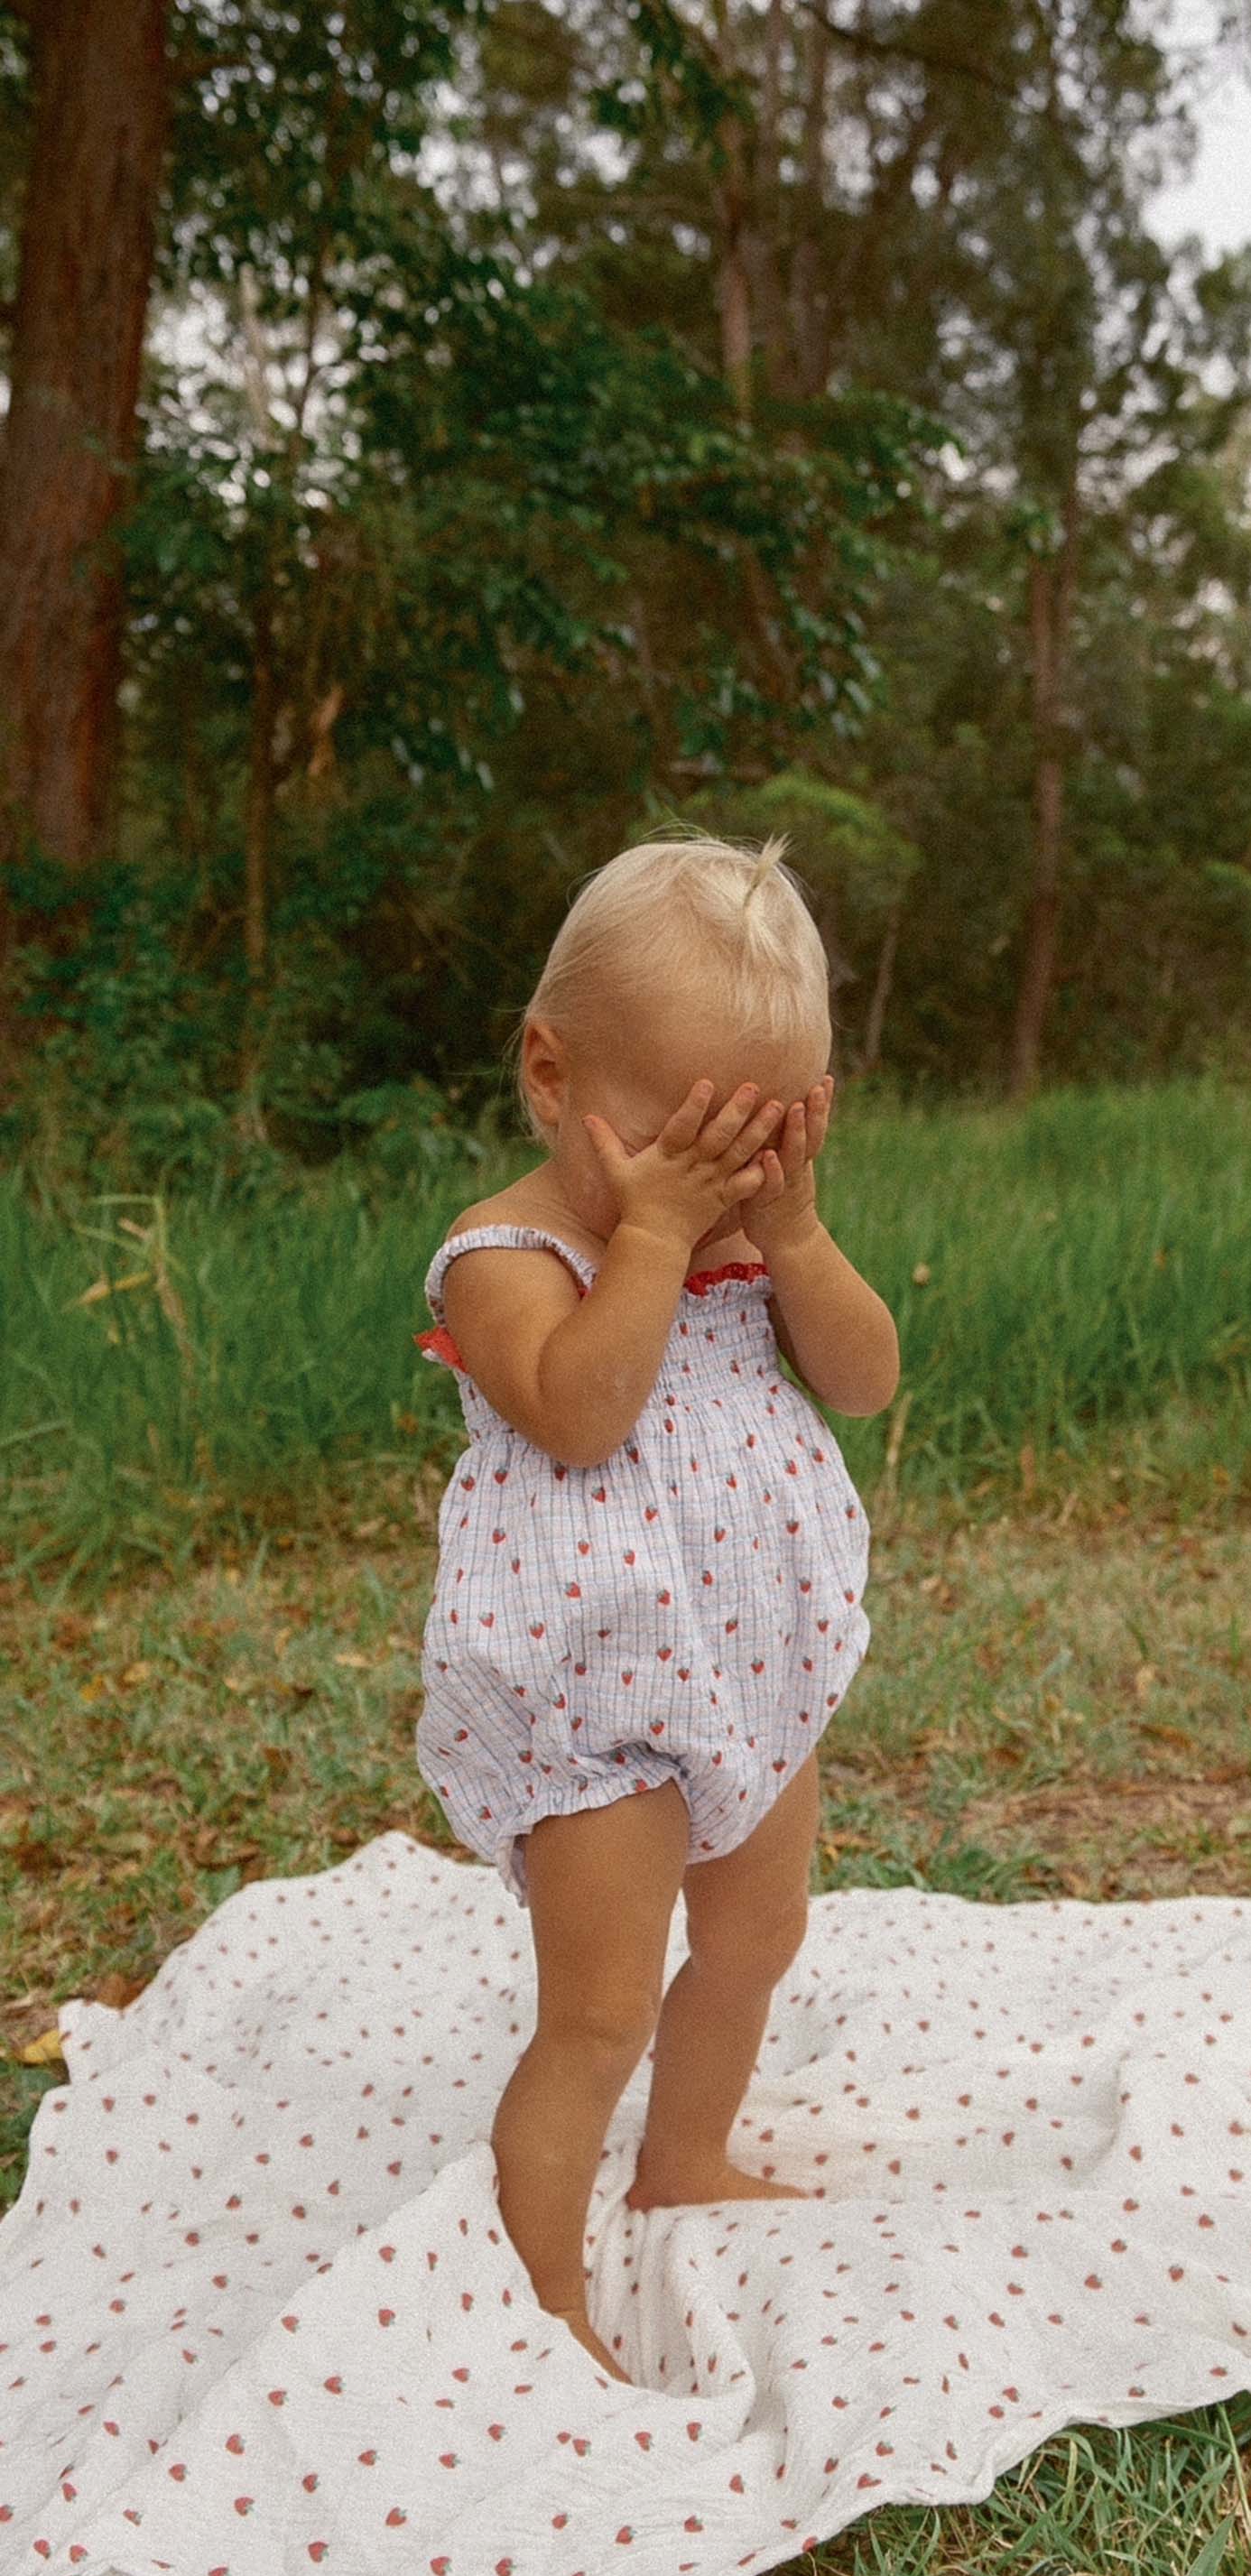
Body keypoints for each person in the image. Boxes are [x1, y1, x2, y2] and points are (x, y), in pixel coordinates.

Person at [410, 833, 900, 2382]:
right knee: (599, 2008)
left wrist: (795, 1235)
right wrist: (658, 1233)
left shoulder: (747, 1229)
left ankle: (687, 2157)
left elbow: (867, 1380)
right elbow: (580, 1409)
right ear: (552, 1075)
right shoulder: (507, 1255)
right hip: (596, 1689)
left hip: (754, 1661)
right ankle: (540, 2286)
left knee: (759, 1937)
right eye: (681, 1133)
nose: (719, 1174)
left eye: (757, 1140)